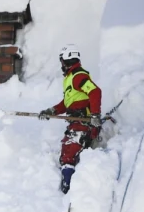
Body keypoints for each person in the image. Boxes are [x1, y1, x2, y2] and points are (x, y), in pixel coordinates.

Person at [39, 44, 103, 193]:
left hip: (83, 123)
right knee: (67, 151)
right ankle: (71, 181)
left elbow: (95, 92)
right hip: (75, 123)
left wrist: (95, 115)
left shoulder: (78, 76)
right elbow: (67, 103)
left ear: (67, 59)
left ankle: (69, 186)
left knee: (69, 152)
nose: (61, 64)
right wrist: (52, 111)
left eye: (62, 61)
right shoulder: (70, 78)